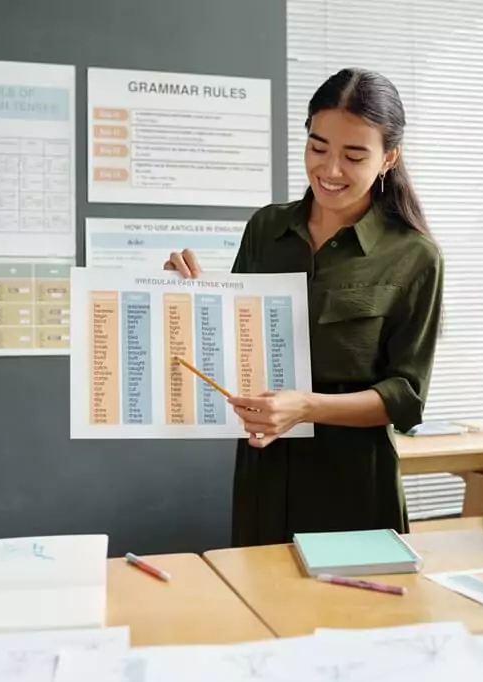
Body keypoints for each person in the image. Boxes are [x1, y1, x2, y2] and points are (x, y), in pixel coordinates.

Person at [165, 68, 443, 546]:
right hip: (264, 467)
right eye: (318, 148)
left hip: (352, 479)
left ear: (388, 158)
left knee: (357, 614)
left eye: (354, 155)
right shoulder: (266, 229)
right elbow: (235, 348)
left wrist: (306, 408)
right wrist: (190, 298)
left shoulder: (415, 256)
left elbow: (406, 397)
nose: (330, 170)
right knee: (263, 613)